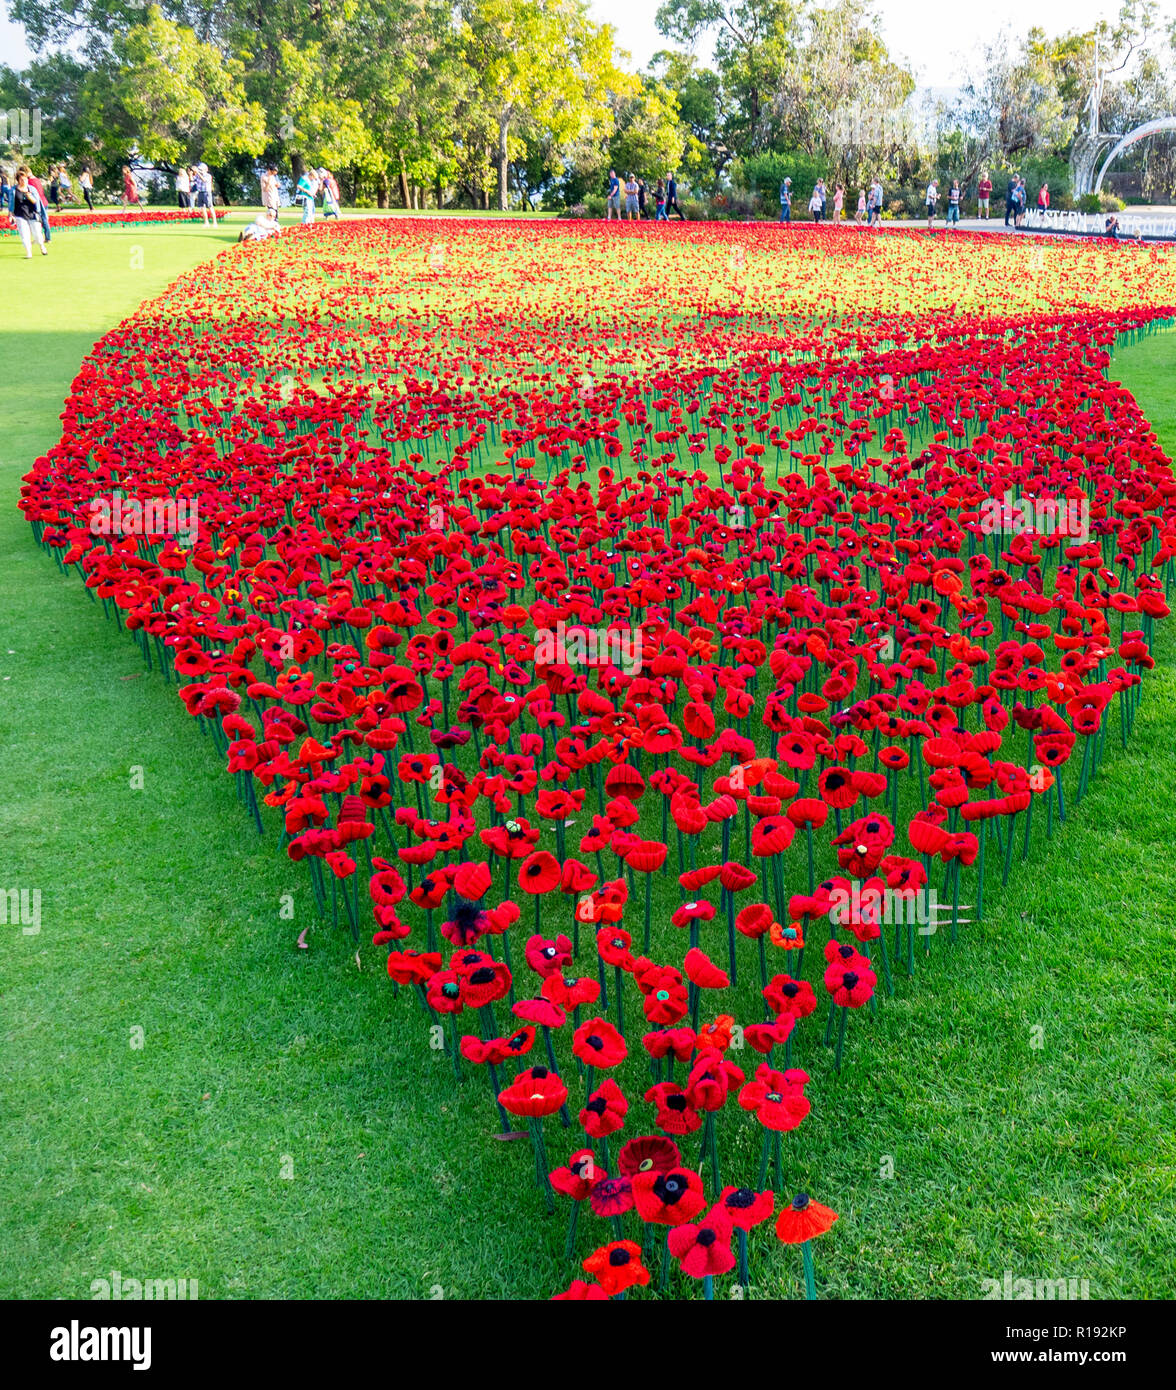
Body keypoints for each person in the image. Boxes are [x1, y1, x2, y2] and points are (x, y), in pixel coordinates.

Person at [12, 168, 48, 258]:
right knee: (24, 234)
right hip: (20, 214)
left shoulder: (31, 189)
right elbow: (11, 203)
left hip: (32, 214)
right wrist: (10, 214)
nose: (24, 181)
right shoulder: (14, 190)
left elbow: (37, 202)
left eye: (25, 179)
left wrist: (30, 197)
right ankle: (28, 252)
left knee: (37, 233)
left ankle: (42, 246)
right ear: (18, 180)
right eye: (21, 179)